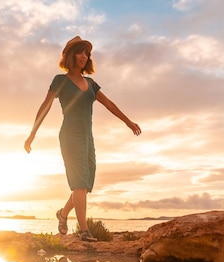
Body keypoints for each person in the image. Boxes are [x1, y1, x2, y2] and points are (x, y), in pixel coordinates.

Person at [24, 36, 142, 242]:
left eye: (86, 53)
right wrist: (32, 133)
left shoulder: (91, 83)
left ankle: (62, 214)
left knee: (85, 184)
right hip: (70, 136)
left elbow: (109, 104)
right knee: (79, 183)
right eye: (80, 52)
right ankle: (84, 231)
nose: (84, 56)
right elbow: (46, 105)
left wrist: (128, 121)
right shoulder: (60, 80)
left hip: (88, 137)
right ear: (71, 55)